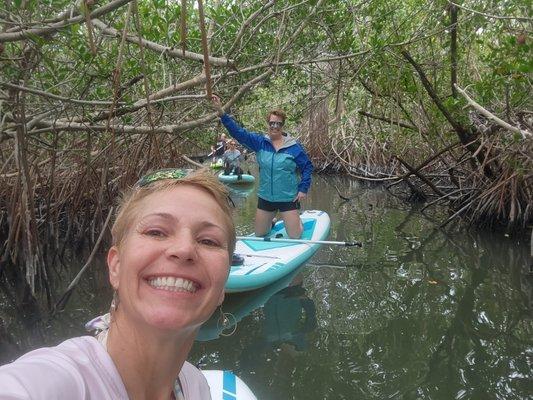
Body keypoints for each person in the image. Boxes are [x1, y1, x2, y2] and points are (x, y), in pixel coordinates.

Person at [0, 168, 236, 400]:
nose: (184, 249)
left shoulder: (196, 386)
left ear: (222, 286)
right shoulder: (58, 381)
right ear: (115, 266)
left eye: (208, 240)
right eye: (156, 232)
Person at [212, 95, 313, 239]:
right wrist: (222, 113)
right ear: (268, 124)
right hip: (266, 197)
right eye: (272, 123)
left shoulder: (294, 147)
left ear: (282, 125)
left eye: (278, 123)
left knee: (295, 236)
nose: (274, 126)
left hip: (288, 198)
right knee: (260, 234)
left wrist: (303, 188)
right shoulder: (260, 143)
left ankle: (297, 222)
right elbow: (238, 133)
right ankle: (272, 221)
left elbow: (307, 167)